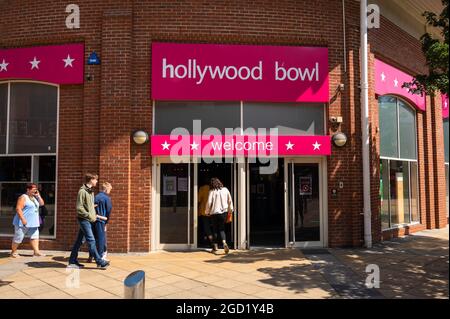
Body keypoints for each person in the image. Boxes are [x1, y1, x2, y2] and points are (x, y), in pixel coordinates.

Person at [68, 173, 109, 268]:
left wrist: (92, 210)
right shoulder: (82, 191)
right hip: (84, 219)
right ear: (91, 180)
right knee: (91, 240)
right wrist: (89, 215)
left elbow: (89, 206)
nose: (97, 181)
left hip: (88, 219)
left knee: (79, 241)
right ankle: (99, 261)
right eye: (95, 180)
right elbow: (79, 208)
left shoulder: (90, 192)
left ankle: (72, 261)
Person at [11, 183, 45, 257]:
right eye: (33, 190)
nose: (35, 191)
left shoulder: (34, 198)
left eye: (36, 190)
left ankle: (36, 252)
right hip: (22, 222)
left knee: (35, 237)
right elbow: (18, 208)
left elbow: (42, 204)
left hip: (33, 223)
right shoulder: (23, 197)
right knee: (18, 238)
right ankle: (13, 252)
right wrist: (23, 219)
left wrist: (38, 196)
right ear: (28, 189)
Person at [205, 177, 234, 254]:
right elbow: (230, 200)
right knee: (222, 229)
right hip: (223, 213)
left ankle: (215, 247)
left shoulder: (212, 191)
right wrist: (230, 210)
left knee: (215, 230)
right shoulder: (225, 190)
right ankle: (224, 243)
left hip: (214, 213)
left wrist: (207, 212)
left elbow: (209, 203)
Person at [87, 182, 112, 263]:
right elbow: (108, 211)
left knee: (93, 239)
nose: (110, 191)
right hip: (101, 221)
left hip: (93, 220)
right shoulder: (106, 198)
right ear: (106, 189)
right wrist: (106, 222)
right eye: (110, 190)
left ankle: (91, 256)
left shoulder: (96, 197)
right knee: (101, 239)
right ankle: (100, 258)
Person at [198, 179, 213, 248]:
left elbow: (198, 199)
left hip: (204, 211)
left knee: (205, 227)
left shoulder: (202, 188)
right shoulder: (213, 189)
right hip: (213, 211)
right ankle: (212, 241)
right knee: (212, 227)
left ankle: (208, 241)